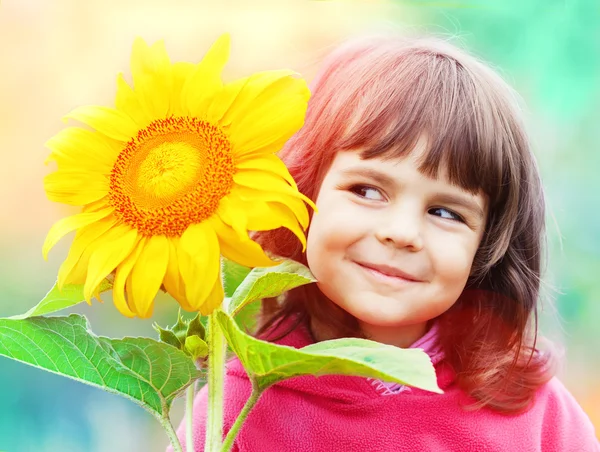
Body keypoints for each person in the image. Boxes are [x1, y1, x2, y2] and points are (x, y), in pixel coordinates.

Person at [169, 33, 600, 451]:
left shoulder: (534, 413)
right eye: (367, 190)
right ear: (303, 192)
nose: (402, 232)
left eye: (445, 212)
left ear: (488, 247)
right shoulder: (235, 411)